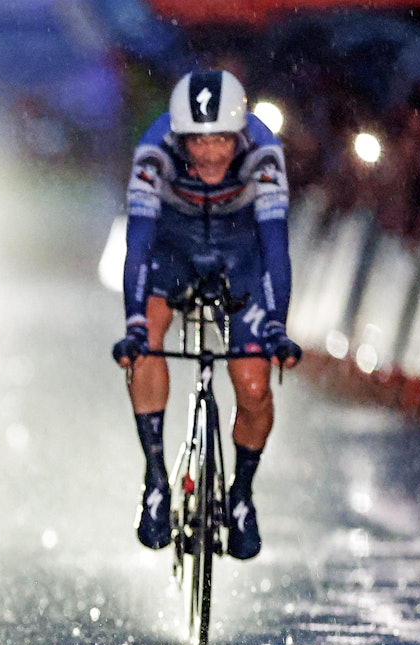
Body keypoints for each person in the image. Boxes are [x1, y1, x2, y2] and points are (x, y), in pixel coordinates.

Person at [112, 69, 301, 559]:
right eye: (198, 141)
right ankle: (156, 478)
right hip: (172, 249)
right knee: (147, 337)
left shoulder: (264, 151)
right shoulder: (154, 151)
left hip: (242, 252)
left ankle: (242, 493)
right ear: (180, 137)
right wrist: (134, 323)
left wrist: (277, 325)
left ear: (240, 133)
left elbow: (275, 248)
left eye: (221, 139)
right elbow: (138, 244)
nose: (211, 153)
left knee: (254, 385)